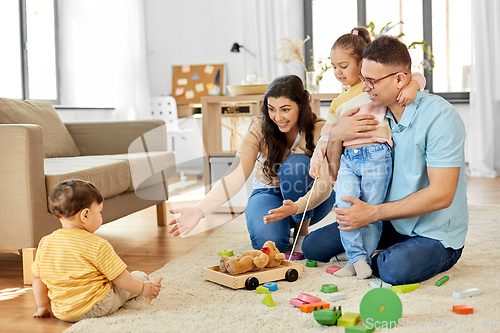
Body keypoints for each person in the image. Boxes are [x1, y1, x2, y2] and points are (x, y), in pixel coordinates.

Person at [303, 35, 468, 285]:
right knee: (313, 246)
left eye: (371, 81)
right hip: (389, 221)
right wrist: (337, 135)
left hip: (435, 233)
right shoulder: (373, 112)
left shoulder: (440, 117)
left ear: (400, 80)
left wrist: (371, 214)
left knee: (395, 269)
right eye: (362, 79)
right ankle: (376, 252)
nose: (364, 87)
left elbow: (442, 194)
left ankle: (377, 257)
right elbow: (335, 171)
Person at [168, 75, 335, 253]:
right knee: (270, 244)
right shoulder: (260, 128)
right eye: (272, 109)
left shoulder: (319, 129)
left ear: (300, 106)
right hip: (268, 192)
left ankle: (301, 233)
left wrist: (298, 207)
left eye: (285, 109)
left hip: (311, 198)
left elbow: (326, 181)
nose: (277, 117)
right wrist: (199, 210)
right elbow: (236, 175)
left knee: (297, 165)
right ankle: (283, 228)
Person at [308, 27, 426, 279]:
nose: (338, 72)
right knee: (344, 207)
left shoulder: (373, 88)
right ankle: (356, 257)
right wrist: (318, 156)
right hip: (349, 160)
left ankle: (361, 258)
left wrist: (413, 86)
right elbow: (327, 136)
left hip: (376, 155)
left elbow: (411, 73)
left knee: (370, 211)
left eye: (343, 65)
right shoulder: (339, 102)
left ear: (362, 64)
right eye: (333, 67)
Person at [32, 180, 162, 322]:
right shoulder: (97, 244)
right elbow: (119, 277)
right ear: (85, 215)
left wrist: (43, 305)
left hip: (61, 311)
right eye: (99, 211)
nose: (101, 216)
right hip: (96, 306)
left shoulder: (45, 243)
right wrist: (142, 288)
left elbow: (38, 278)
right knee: (137, 277)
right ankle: (141, 281)